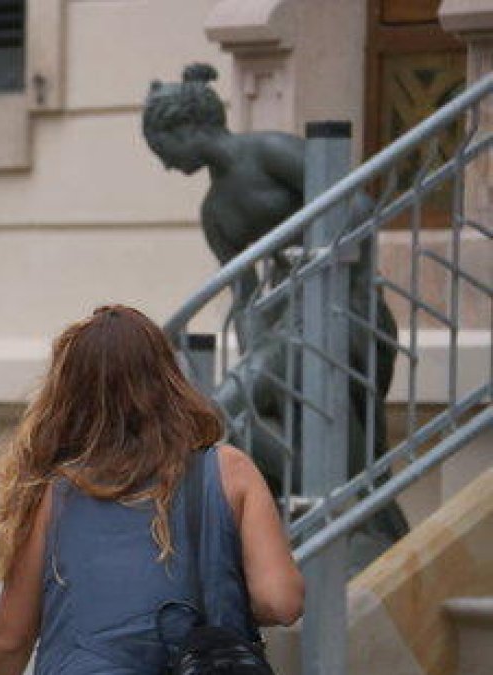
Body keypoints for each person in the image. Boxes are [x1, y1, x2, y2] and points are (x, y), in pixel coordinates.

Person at [142, 64, 405, 569]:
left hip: (346, 311)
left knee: (221, 407)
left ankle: (344, 515)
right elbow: (242, 298)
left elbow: (356, 206)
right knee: (239, 414)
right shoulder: (215, 211)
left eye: (163, 151)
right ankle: (324, 513)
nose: (166, 166)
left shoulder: (267, 152)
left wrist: (312, 269)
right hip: (288, 330)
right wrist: (260, 349)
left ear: (186, 129)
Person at [0, 305, 303, 675]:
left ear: (66, 395)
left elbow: (10, 640)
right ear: (168, 377)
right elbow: (281, 602)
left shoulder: (52, 493)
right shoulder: (230, 471)